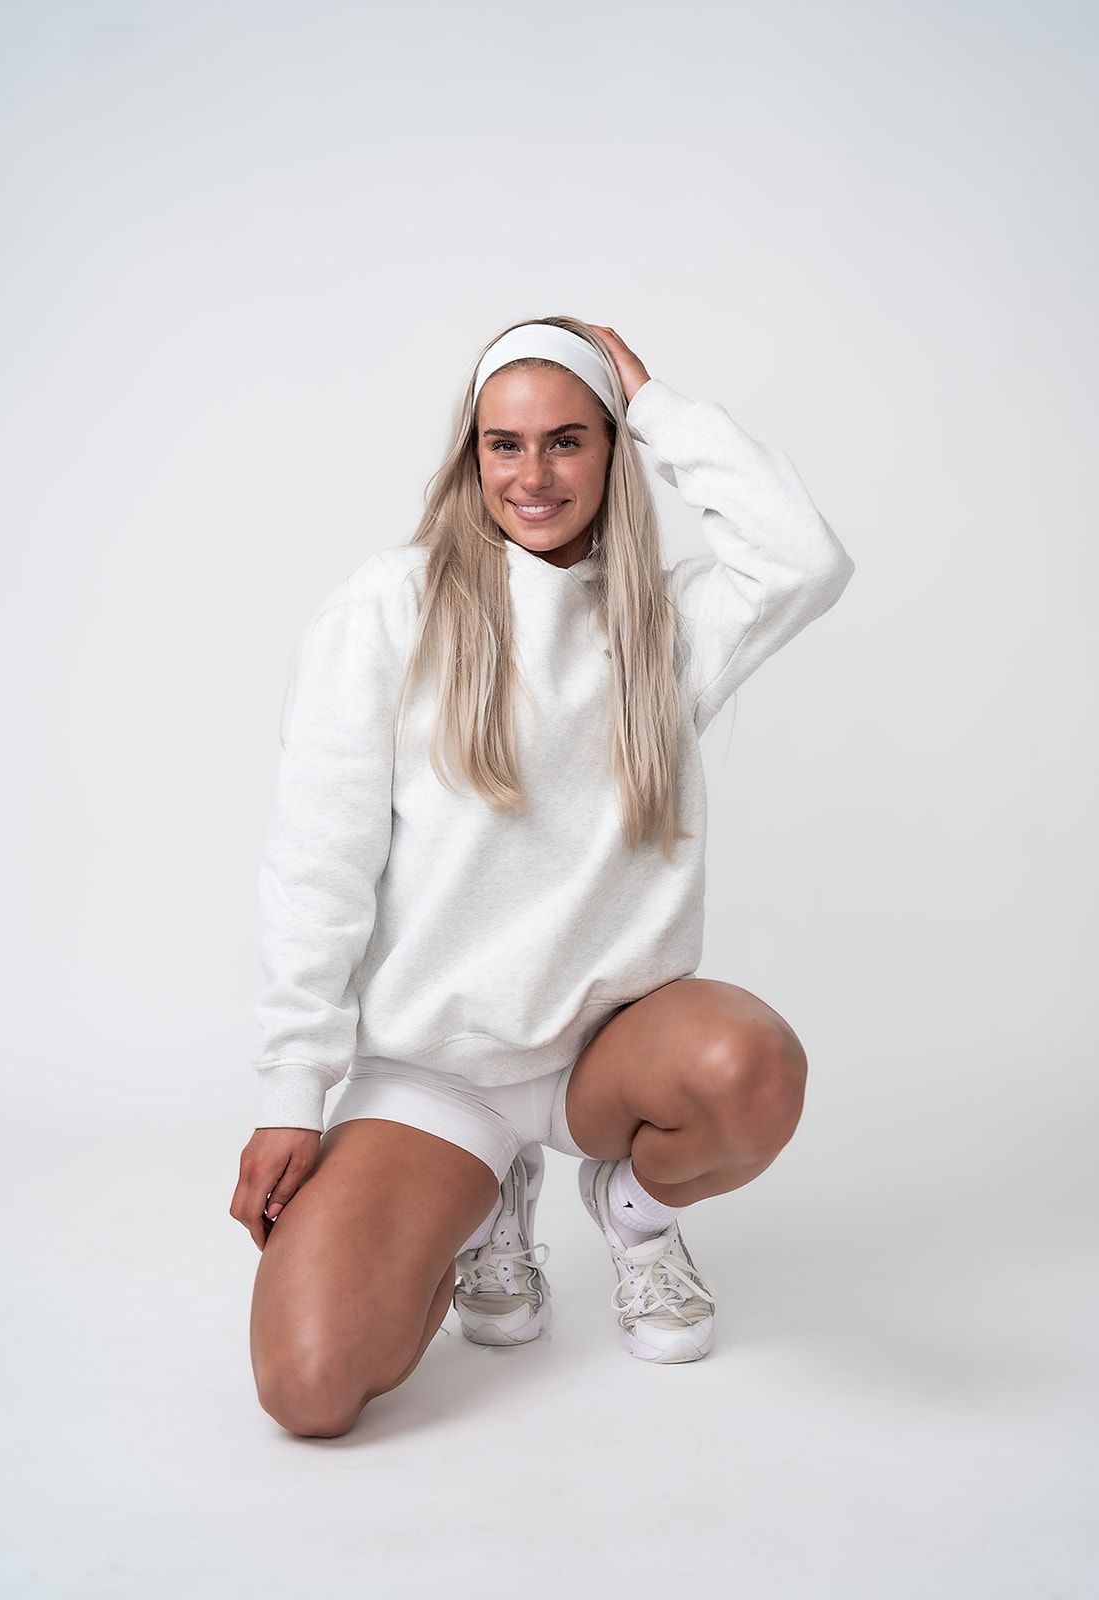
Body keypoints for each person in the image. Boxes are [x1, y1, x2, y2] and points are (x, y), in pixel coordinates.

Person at [229, 315, 855, 1438]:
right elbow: (317, 865)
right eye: (502, 444)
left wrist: (656, 403)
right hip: (438, 1072)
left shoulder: (659, 624)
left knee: (749, 1066)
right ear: (469, 457)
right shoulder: (392, 605)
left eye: (568, 440)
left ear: (612, 452)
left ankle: (633, 1214)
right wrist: (292, 1088)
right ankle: (486, 1206)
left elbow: (805, 558)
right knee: (311, 1387)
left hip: (602, 1054)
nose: (533, 473)